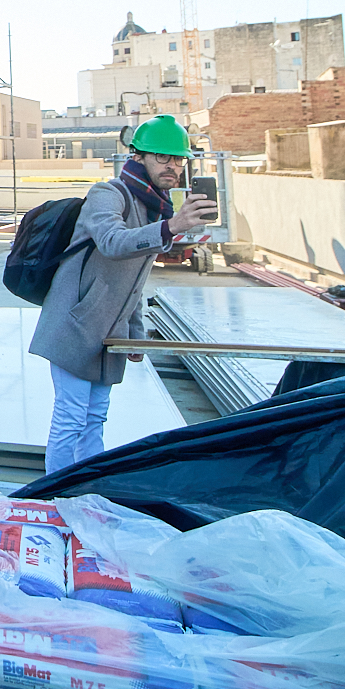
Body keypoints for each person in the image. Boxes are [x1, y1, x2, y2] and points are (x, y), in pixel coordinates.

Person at [30, 115, 216, 474]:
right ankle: (53, 497)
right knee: (70, 417)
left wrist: (136, 333)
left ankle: (87, 492)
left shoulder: (154, 206)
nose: (173, 167)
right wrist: (172, 227)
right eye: (163, 158)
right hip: (75, 325)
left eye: (178, 160)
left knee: (95, 417)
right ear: (138, 156)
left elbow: (134, 281)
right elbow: (113, 243)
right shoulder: (108, 194)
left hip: (109, 333)